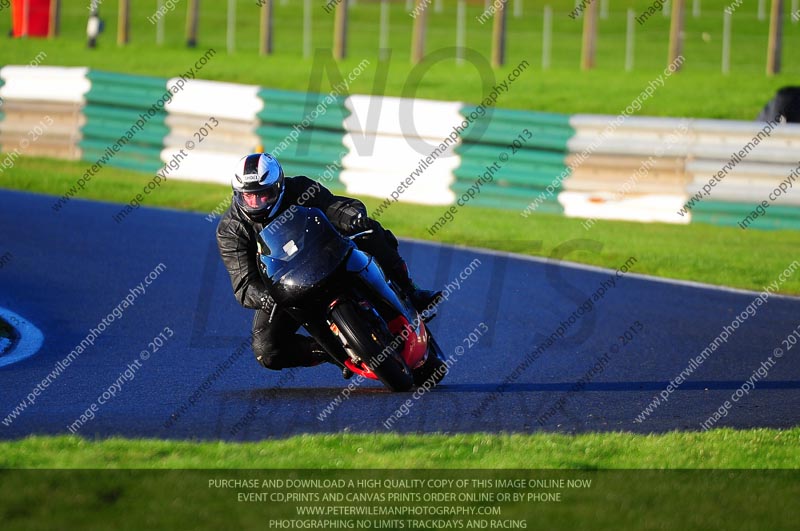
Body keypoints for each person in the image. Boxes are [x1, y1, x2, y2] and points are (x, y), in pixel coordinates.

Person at [216, 153, 442, 376]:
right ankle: (331, 352)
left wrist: (352, 216)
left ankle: (411, 291)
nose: (255, 202)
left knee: (370, 232)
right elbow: (244, 283)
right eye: (248, 196)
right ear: (238, 194)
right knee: (266, 350)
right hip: (284, 287)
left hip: (327, 254)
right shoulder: (230, 230)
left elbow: (332, 206)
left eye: (263, 194)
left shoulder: (300, 188)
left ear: (278, 186)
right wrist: (264, 296)